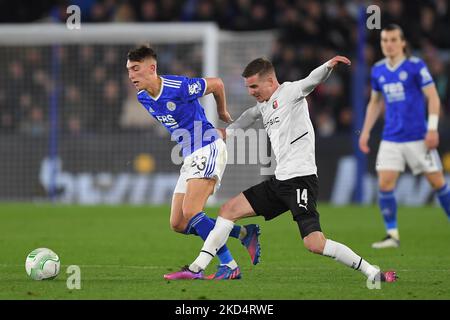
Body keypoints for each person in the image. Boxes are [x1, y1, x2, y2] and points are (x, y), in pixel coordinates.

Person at [164, 55, 397, 283]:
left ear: (270, 81)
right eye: (248, 87)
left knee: (314, 243)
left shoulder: (290, 92)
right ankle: (202, 268)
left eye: (254, 86)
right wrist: (227, 132)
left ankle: (372, 272)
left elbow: (312, 80)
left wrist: (328, 65)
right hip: (280, 181)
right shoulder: (264, 106)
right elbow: (249, 115)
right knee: (228, 210)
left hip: (301, 181)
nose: (251, 92)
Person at [126, 46, 261, 277]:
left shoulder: (178, 86)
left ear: (152, 68)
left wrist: (222, 111)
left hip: (207, 147)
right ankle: (242, 233)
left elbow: (217, 83)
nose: (131, 75)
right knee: (178, 222)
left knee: (191, 210)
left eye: (136, 69)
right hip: (190, 154)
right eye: (129, 70)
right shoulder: (142, 97)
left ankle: (228, 266)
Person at [359, 24, 450, 249]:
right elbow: (375, 102)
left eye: (392, 40)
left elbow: (433, 97)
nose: (388, 44)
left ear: (402, 43)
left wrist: (432, 128)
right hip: (391, 137)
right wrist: (366, 132)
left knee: (437, 182)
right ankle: (392, 235)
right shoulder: (378, 70)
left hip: (419, 137)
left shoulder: (415, 66)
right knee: (385, 183)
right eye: (384, 41)